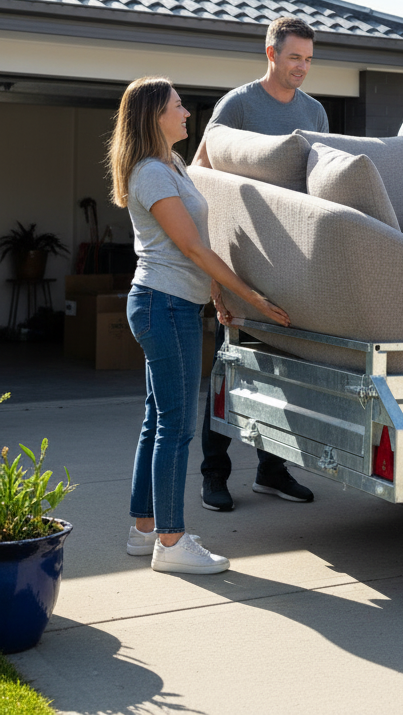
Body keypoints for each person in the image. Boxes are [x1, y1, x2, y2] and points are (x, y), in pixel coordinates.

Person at [110, 76, 290, 574]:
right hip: (163, 304)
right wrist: (248, 293)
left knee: (157, 420)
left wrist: (215, 296)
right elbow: (191, 247)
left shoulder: (174, 164)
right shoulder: (150, 172)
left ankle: (143, 528)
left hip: (175, 302)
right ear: (153, 116)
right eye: (177, 106)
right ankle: (172, 542)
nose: (187, 112)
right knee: (174, 426)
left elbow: (194, 240)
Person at [192, 15, 325, 512]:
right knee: (231, 369)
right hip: (243, 260)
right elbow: (200, 181)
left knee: (284, 370)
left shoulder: (314, 112)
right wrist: (216, 278)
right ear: (271, 54)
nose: (302, 68)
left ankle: (272, 470)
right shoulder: (238, 105)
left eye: (309, 60)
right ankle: (214, 474)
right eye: (294, 57)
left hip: (291, 263)